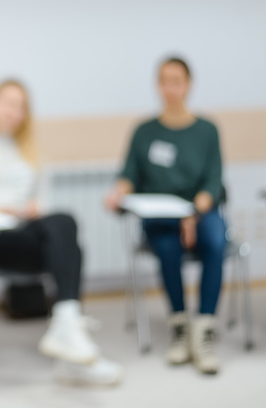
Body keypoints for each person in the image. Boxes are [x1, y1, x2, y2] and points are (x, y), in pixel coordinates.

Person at [0, 79, 123, 386]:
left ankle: (67, 331)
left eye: (21, 106)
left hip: (26, 235)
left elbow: (45, 203)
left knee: (64, 223)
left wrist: (32, 209)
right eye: (7, 102)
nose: (13, 111)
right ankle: (70, 339)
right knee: (72, 243)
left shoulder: (31, 153)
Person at [105, 57, 226, 375]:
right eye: (164, 80)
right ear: (157, 85)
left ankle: (204, 329)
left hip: (199, 211)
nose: (170, 87)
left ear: (188, 85)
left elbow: (213, 181)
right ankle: (179, 326)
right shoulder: (144, 130)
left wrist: (193, 213)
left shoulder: (207, 130)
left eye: (177, 80)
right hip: (159, 217)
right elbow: (129, 173)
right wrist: (118, 191)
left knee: (216, 239)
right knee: (168, 248)